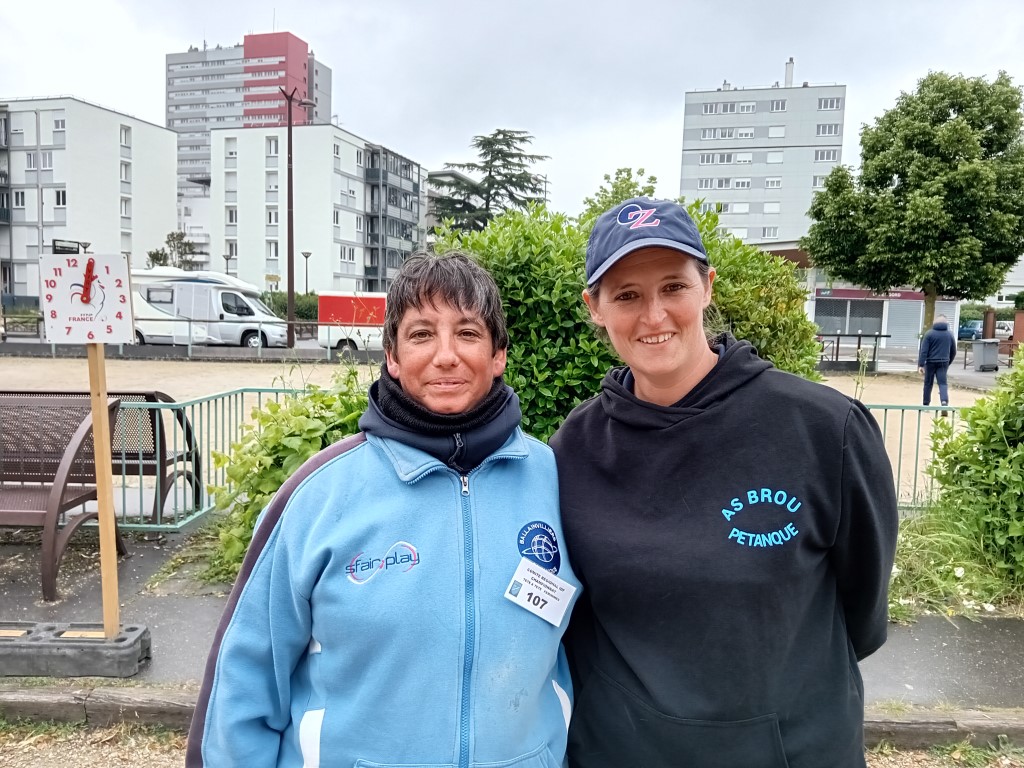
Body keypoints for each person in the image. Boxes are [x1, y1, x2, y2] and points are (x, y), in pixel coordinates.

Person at [187, 252, 580, 767]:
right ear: (392, 357)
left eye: (467, 333)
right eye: (421, 335)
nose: (445, 356)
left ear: (499, 354)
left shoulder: (555, 481)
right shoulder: (318, 496)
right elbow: (245, 678)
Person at [549, 198, 899, 768]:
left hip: (789, 751)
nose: (654, 315)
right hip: (620, 752)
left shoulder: (823, 429)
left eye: (673, 287)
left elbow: (861, 612)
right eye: (628, 295)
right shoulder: (576, 447)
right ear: (596, 308)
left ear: (707, 287)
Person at [918, 315, 957, 407]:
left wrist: (921, 364)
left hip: (930, 362)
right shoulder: (949, 334)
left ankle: (926, 404)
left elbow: (924, 351)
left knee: (928, 383)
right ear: (946, 324)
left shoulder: (929, 334)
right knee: (943, 383)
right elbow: (953, 351)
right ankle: (944, 402)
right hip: (944, 362)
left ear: (934, 323)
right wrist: (948, 361)